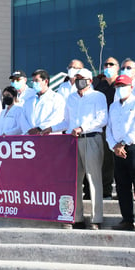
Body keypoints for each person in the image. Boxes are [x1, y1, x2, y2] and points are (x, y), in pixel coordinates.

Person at [42, 68, 107, 230]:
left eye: (81, 78)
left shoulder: (98, 96)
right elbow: (66, 122)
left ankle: (96, 218)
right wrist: (51, 128)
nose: (78, 81)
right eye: (76, 78)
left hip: (91, 138)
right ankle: (77, 217)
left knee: (93, 179)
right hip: (73, 142)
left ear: (89, 81)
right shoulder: (71, 98)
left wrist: (82, 127)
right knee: (75, 180)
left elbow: (102, 119)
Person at [106, 75, 135, 232]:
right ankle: (127, 219)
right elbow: (109, 129)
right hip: (117, 150)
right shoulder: (113, 106)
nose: (120, 89)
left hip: (134, 147)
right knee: (122, 186)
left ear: (131, 87)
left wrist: (122, 143)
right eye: (118, 86)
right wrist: (114, 146)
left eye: (123, 86)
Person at [92, 57, 120, 199]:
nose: (108, 66)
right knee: (106, 161)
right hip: (103, 127)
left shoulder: (121, 84)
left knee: (120, 162)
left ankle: (123, 191)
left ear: (117, 67)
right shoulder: (99, 85)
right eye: (106, 64)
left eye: (111, 64)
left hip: (118, 128)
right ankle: (106, 191)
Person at [20, 69, 65, 135]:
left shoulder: (56, 98)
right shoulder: (29, 100)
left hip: (50, 136)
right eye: (33, 81)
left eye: (37, 81)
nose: (34, 83)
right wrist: (29, 130)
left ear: (46, 81)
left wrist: (40, 128)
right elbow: (23, 118)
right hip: (31, 138)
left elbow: (57, 117)